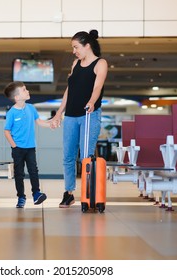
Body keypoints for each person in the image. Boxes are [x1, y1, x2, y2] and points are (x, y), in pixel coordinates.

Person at [50, 29, 108, 208]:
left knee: (85, 157)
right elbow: (70, 90)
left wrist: (91, 102)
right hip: (71, 116)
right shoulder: (75, 64)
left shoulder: (101, 63)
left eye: (76, 47)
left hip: (89, 115)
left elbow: (97, 87)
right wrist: (59, 112)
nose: (74, 51)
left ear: (87, 45)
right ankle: (68, 193)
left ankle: (88, 194)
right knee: (68, 157)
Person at [4, 81, 50, 208]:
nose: (28, 91)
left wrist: (50, 124)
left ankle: (36, 194)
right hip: (18, 149)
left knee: (33, 171)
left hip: (30, 148)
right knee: (19, 174)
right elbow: (6, 131)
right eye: (24, 90)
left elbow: (39, 122)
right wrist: (14, 146)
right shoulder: (12, 113)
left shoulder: (31, 108)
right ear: (17, 97)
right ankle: (21, 197)